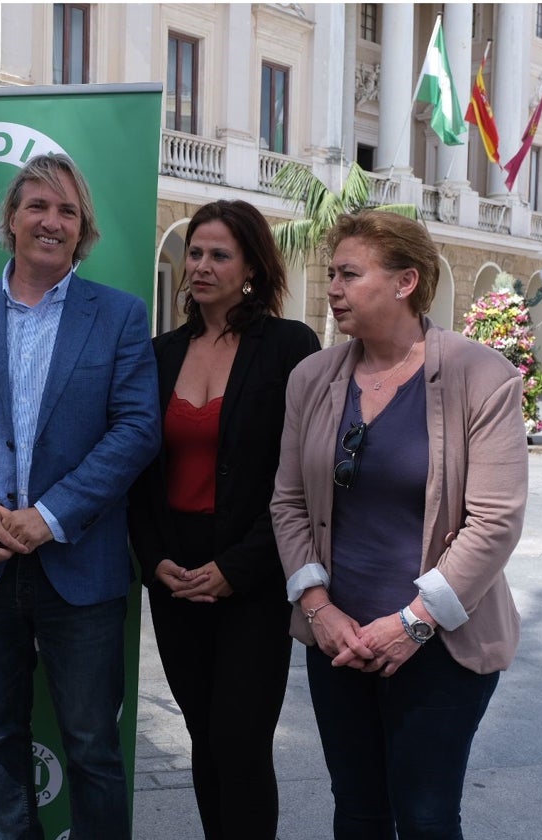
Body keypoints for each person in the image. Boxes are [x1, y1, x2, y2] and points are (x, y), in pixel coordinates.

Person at [0, 153, 161, 840]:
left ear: (84, 232)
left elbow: (138, 429)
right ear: (10, 221)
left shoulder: (119, 316)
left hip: (80, 567)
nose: (52, 221)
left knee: (92, 748)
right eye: (38, 207)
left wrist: (51, 516)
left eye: (68, 211)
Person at [271, 211, 526, 839]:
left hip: (439, 644)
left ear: (406, 281)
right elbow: (288, 503)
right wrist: (318, 608)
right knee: (356, 810)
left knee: (426, 816)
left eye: (349, 274)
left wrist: (412, 623)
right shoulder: (312, 376)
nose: (332, 287)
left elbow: (494, 520)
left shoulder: (481, 375)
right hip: (338, 640)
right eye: (331, 273)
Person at [127, 200, 319, 838]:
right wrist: (154, 560)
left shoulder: (291, 347)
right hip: (174, 572)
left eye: (220, 255)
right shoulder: (159, 353)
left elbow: (300, 478)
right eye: (196, 253)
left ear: (252, 269)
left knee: (241, 740)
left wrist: (236, 569)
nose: (202, 266)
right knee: (202, 735)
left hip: (251, 576)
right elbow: (139, 472)